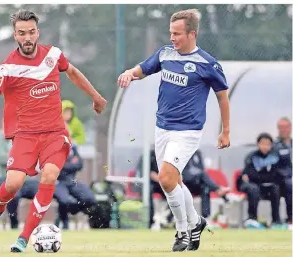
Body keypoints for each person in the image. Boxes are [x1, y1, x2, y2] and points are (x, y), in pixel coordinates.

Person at [0, 9, 107, 252]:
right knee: (13, 183)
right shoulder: (7, 67)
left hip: (55, 134)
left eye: (31, 32)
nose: (28, 38)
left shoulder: (53, 55)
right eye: (22, 33)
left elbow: (72, 72)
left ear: (37, 32)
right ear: (15, 35)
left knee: (49, 176)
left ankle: (24, 237)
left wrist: (95, 97)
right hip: (25, 136)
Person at [117, 9, 230, 252]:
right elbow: (143, 69)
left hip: (188, 131)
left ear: (192, 34)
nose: (172, 38)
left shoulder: (208, 64)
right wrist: (129, 74)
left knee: (166, 178)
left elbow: (222, 97)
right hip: (162, 128)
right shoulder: (165, 54)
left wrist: (225, 131)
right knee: (175, 181)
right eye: (171, 33)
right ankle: (196, 222)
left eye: (177, 34)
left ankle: (182, 231)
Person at [0, 120, 39, 229]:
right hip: (0, 179)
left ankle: (32, 224)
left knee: (42, 189)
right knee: (14, 194)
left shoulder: (21, 139)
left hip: (22, 179)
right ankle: (14, 223)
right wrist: (17, 158)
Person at [239, 133, 282, 226]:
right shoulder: (251, 157)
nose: (265, 146)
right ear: (258, 144)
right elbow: (250, 174)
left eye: (268, 144)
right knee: (253, 189)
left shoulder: (275, 157)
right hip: (251, 185)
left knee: (275, 188)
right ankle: (252, 219)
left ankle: (276, 220)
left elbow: (276, 174)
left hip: (267, 185)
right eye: (263, 144)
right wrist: (265, 177)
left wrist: (262, 177)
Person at [54, 142, 96, 229]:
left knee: (90, 199)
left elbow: (80, 165)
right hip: (59, 182)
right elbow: (58, 166)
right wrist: (72, 165)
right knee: (63, 201)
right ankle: (65, 225)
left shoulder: (73, 148)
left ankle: (73, 209)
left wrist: (68, 165)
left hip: (72, 182)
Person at [274, 117, 292, 224]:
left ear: (290, 128)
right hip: (282, 179)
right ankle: (290, 218)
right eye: (281, 127)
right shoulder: (274, 146)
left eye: (286, 127)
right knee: (289, 184)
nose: (283, 130)